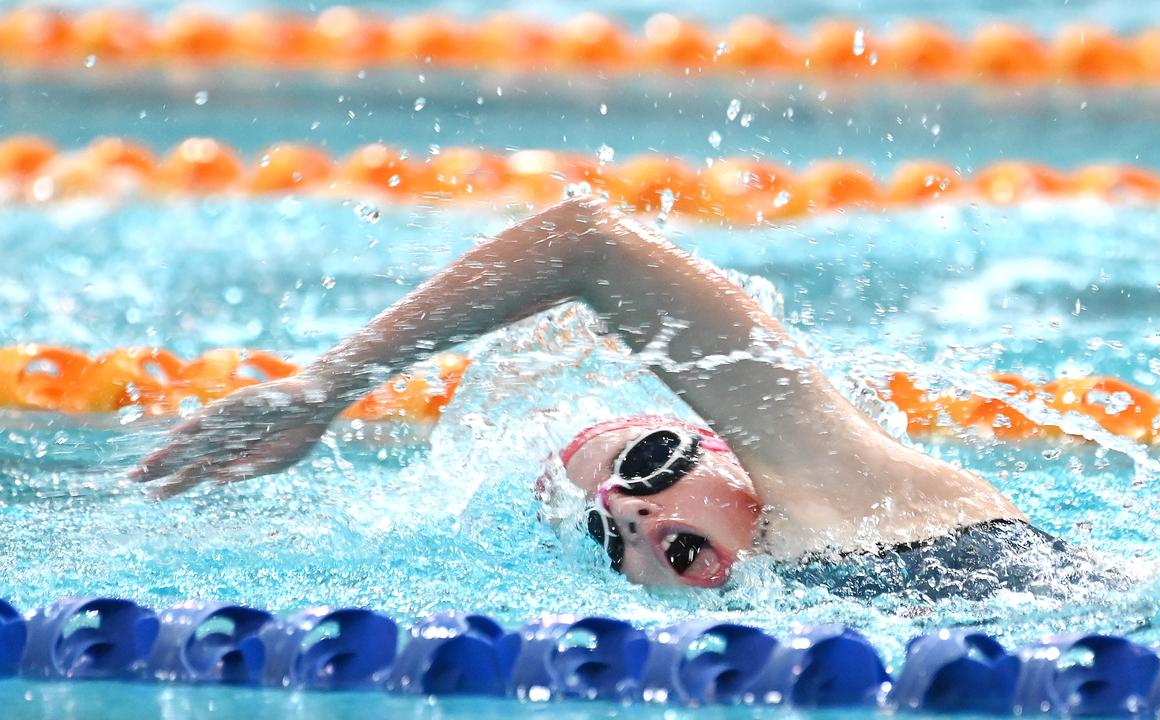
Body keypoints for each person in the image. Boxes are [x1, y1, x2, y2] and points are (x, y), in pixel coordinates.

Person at [132, 195, 1074, 599]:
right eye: (604, 532)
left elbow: (587, 241)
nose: (623, 506)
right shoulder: (752, 622)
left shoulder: (841, 487)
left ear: (718, 440)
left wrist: (329, 386)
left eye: (645, 467)